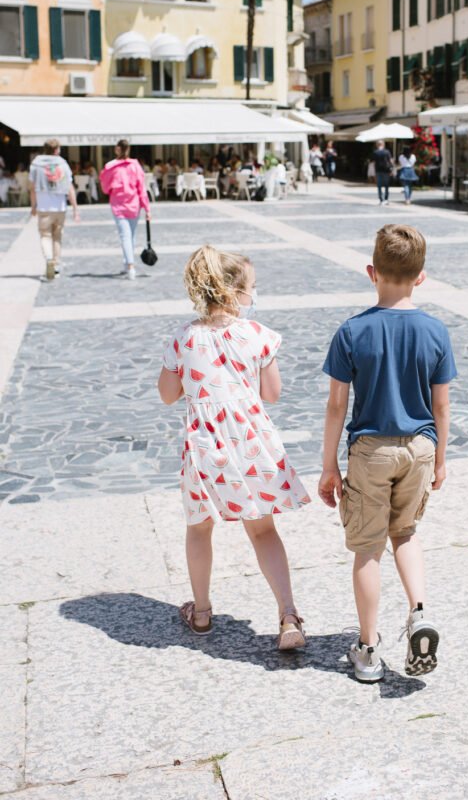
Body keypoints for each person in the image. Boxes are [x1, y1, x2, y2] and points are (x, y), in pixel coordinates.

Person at [318, 224, 456, 682]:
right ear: (421, 277)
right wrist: (440, 459)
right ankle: (419, 613)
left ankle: (368, 650)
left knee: (367, 549)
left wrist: (328, 466)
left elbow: (337, 405)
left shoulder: (352, 331)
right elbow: (441, 405)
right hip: (420, 447)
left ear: (371, 272)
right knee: (407, 533)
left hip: (371, 450)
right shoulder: (435, 331)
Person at [158, 245, 310, 647]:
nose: (254, 294)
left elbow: (167, 394)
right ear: (234, 292)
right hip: (250, 444)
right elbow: (272, 393)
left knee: (199, 529)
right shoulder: (256, 335)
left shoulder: (185, 338)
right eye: (252, 287)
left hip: (205, 447)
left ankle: (201, 612)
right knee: (263, 530)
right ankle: (288, 616)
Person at [100, 139, 150, 281]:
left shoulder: (110, 167)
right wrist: (147, 208)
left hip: (118, 205)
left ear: (117, 149)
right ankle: (127, 263)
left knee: (125, 236)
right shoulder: (135, 166)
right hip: (134, 205)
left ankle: (130, 266)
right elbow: (142, 188)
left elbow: (105, 188)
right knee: (130, 236)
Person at [29, 139, 79, 280]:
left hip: (43, 205)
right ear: (57, 150)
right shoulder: (63, 164)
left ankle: (49, 259)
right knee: (57, 236)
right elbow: (70, 187)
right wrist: (75, 208)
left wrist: (33, 206)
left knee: (45, 235)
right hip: (60, 206)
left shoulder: (36, 164)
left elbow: (32, 188)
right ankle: (56, 265)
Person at [372, 140, 393, 205]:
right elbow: (391, 161)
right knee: (386, 185)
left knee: (379, 185)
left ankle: (381, 199)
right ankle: (386, 199)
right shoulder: (387, 152)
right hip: (386, 170)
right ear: (383, 144)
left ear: (377, 145)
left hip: (378, 170)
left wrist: (374, 171)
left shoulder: (375, 152)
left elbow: (374, 163)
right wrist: (391, 169)